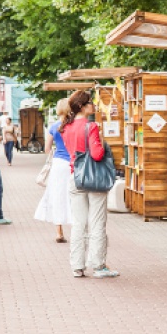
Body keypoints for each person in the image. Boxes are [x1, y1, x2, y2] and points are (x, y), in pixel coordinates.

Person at [60, 90, 118, 279]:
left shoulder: (66, 127)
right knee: (97, 223)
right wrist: (100, 139)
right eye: (90, 103)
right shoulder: (91, 126)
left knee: (78, 224)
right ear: (83, 107)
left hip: (75, 177)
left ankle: (77, 266)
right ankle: (98, 265)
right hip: (94, 179)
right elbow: (97, 155)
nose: (93, 105)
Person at [34, 99, 72, 243]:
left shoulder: (54, 126)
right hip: (72, 164)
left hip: (58, 164)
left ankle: (59, 232)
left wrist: (55, 153)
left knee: (57, 195)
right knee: (73, 195)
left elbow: (47, 149)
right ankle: (77, 228)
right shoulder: (73, 126)